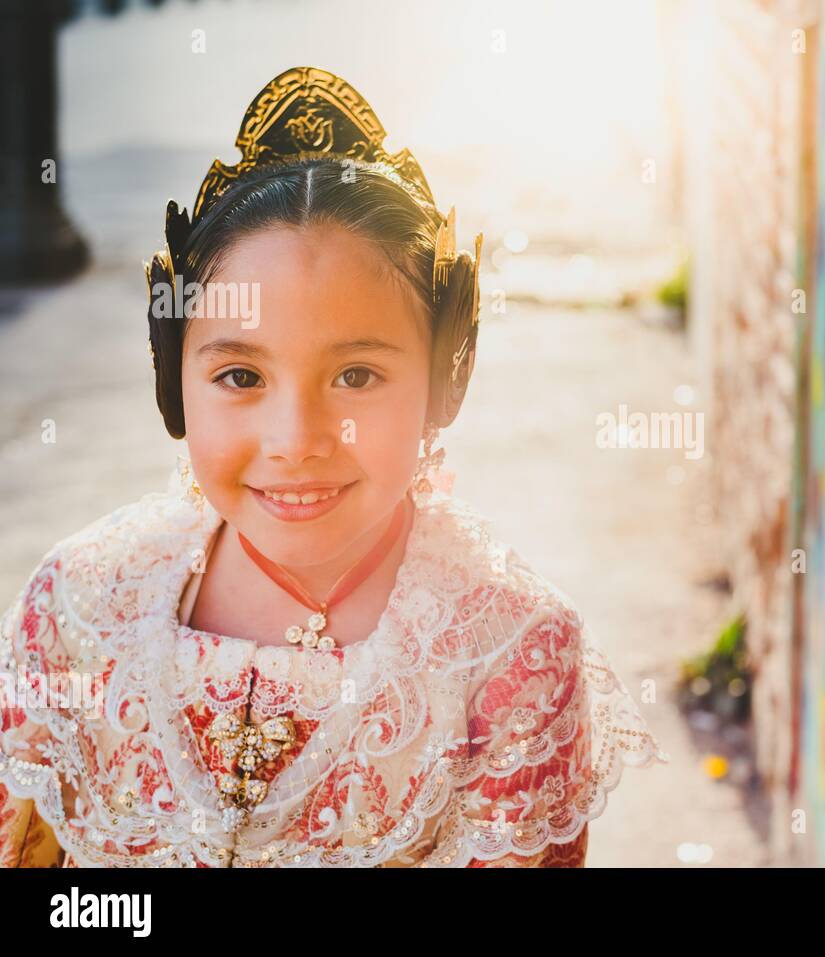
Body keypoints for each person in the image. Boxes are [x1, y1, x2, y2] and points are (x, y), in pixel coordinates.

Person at [0, 66, 667, 868]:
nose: (296, 438)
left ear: (445, 375)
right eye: (240, 377)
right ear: (170, 377)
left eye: (356, 375)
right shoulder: (77, 608)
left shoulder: (508, 656)